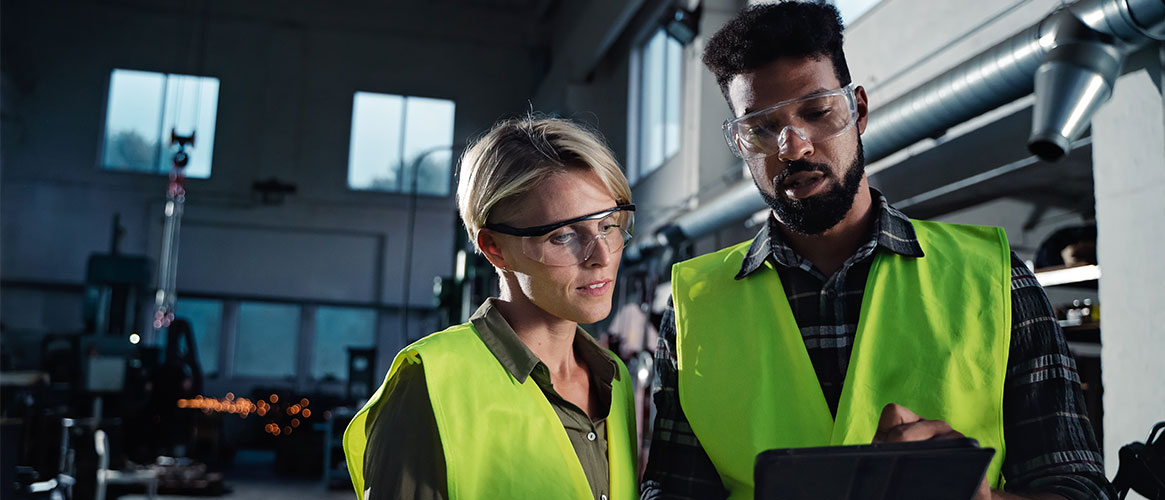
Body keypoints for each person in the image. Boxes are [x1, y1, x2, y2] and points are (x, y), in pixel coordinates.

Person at [640, 3, 1113, 500]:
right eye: (760, 127)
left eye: (818, 112)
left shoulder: (993, 279)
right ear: (740, 144)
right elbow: (673, 490)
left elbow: (1078, 486)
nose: (793, 146)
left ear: (858, 110)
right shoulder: (697, 306)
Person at [343, 117, 639, 500]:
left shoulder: (615, 380)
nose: (601, 256)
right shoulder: (430, 383)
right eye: (563, 235)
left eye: (608, 225)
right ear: (494, 248)